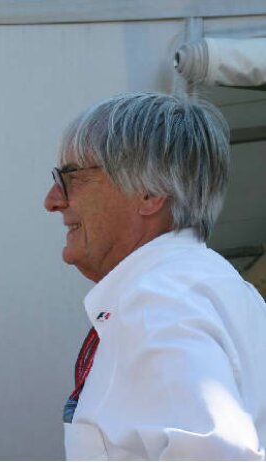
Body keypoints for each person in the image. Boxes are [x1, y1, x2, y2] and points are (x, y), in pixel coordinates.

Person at [44, 92, 266, 460]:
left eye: (71, 177)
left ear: (150, 194)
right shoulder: (219, 288)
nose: (52, 200)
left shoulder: (160, 300)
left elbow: (218, 453)